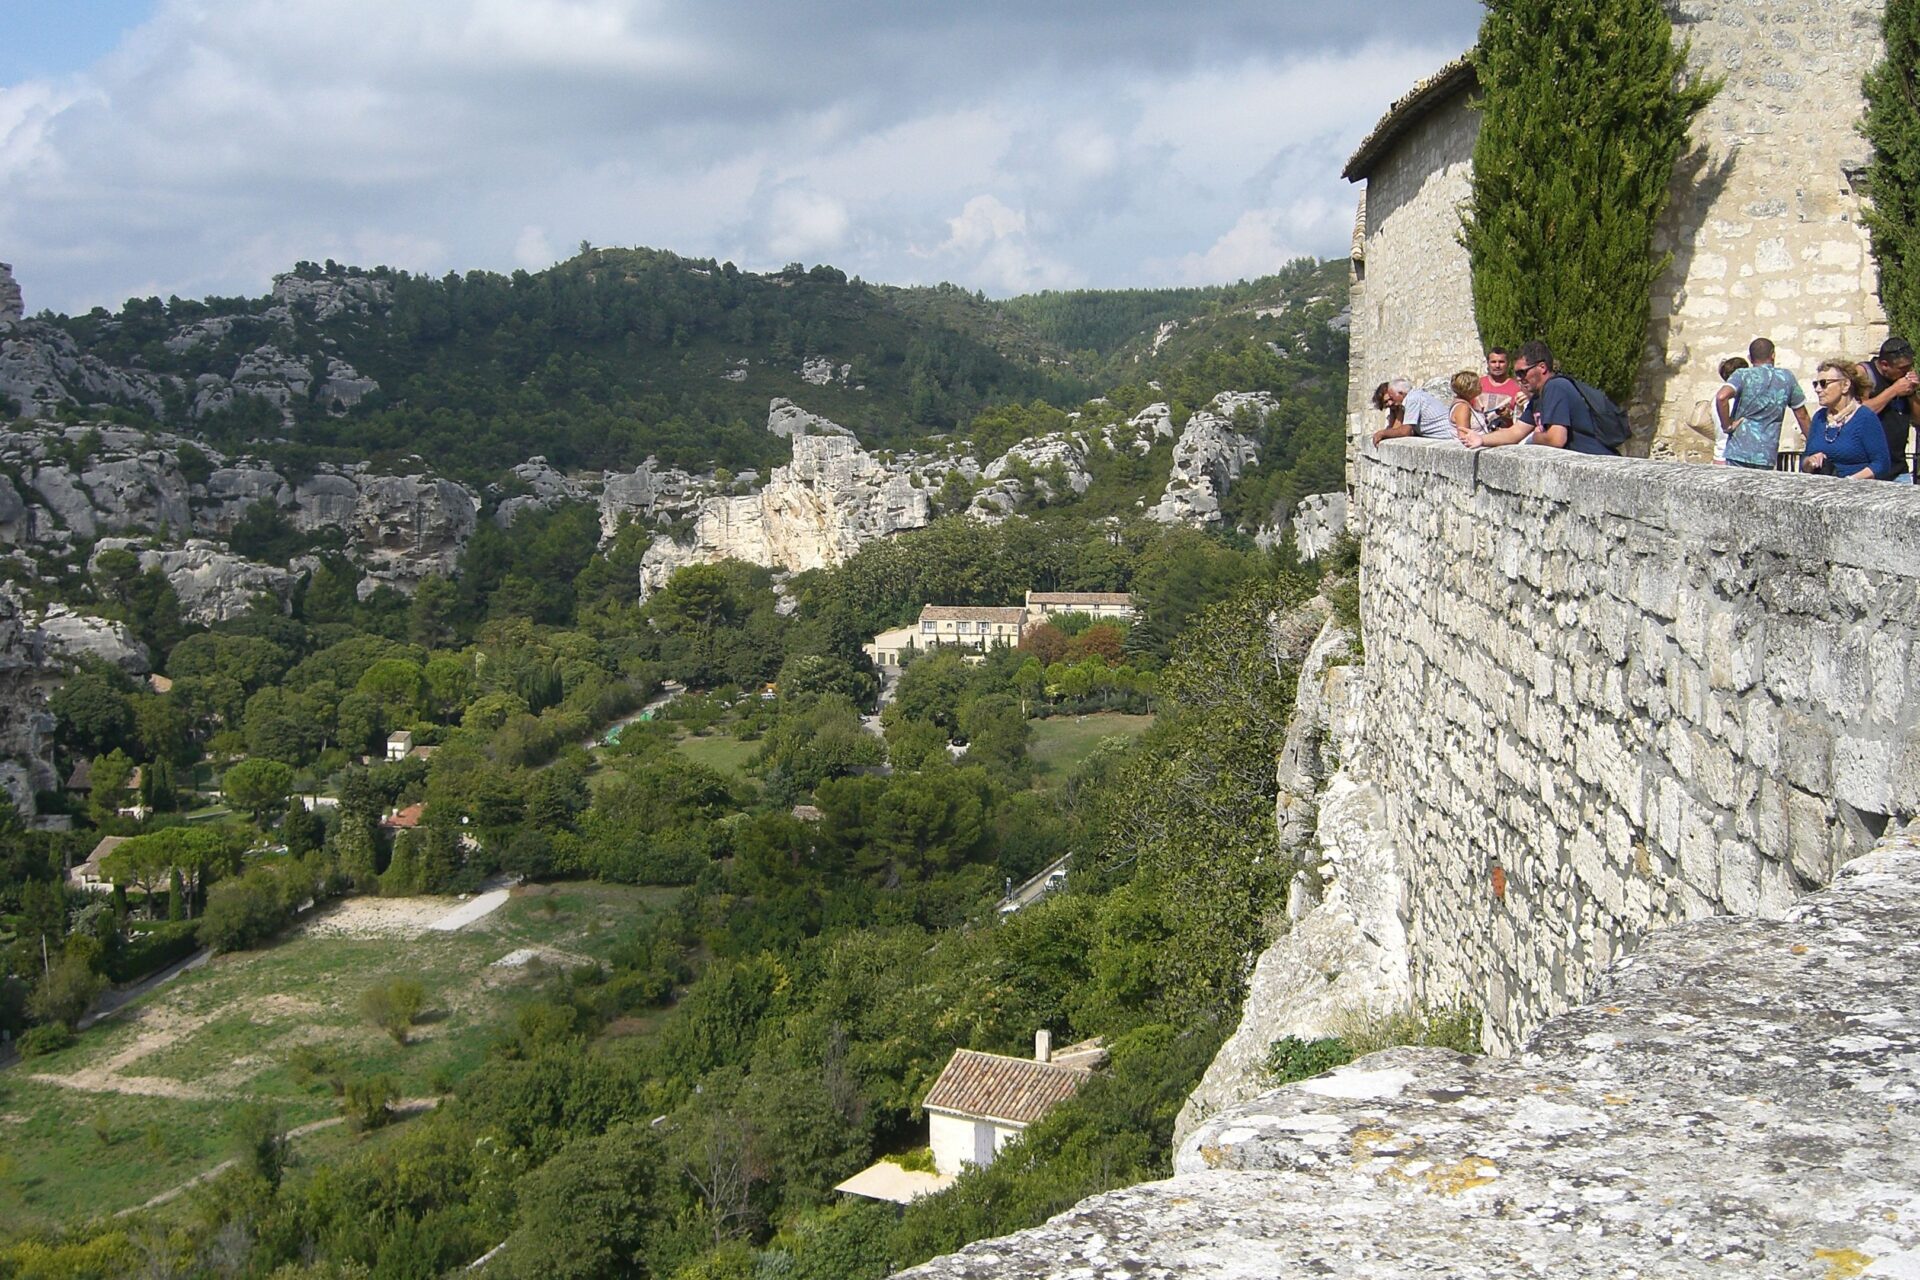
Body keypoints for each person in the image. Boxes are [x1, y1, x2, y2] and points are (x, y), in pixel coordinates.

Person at [1464, 340, 1614, 455]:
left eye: (1522, 373)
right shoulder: (1539, 397)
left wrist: (1534, 438)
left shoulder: (1556, 387)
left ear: (1542, 367)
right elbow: (1515, 432)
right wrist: (1481, 439)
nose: (1519, 378)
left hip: (1595, 463)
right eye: (1516, 374)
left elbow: (1556, 439)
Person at [1715, 338, 1808, 470]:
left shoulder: (1742, 375)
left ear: (1750, 358)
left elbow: (1721, 397)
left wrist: (1727, 425)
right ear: (1773, 355)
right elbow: (1802, 415)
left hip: (1738, 449)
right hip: (1766, 452)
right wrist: (1813, 445)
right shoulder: (1787, 378)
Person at [1801, 360, 1894, 480]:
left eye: (1824, 383)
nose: (1818, 389)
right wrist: (1810, 461)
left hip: (1856, 492)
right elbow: (1805, 458)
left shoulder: (1865, 418)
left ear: (1845, 385)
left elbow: (1881, 464)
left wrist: (1850, 481)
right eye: (1816, 384)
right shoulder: (1819, 418)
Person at [1860, 337, 1919, 481]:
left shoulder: (1903, 381)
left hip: (1898, 468)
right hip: (1869, 470)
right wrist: (1894, 390)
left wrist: (1911, 393)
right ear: (1885, 365)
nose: (1907, 372)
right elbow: (1860, 414)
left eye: (1909, 367)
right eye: (1902, 369)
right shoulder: (1865, 373)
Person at [1372, 377, 1458, 445]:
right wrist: (1394, 411)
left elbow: (1405, 431)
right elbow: (1395, 428)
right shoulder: (1409, 399)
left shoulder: (1412, 399)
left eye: (1392, 397)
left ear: (1401, 393)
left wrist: (1382, 433)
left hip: (1449, 437)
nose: (1391, 403)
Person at [1704, 355, 1748, 465]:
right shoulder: (1737, 399)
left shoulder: (1716, 399)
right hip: (1734, 458)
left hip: (1719, 455)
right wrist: (1728, 426)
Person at [1449, 369, 1503, 444]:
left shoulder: (1467, 404)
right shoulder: (1462, 408)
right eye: (1478, 384)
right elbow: (1464, 436)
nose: (1481, 386)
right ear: (1470, 387)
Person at [1479, 347, 1521, 418]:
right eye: (1493, 362)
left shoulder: (1517, 388)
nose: (1497, 366)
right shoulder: (1477, 384)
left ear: (1508, 364)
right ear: (1488, 363)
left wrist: (1510, 414)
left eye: (1501, 362)